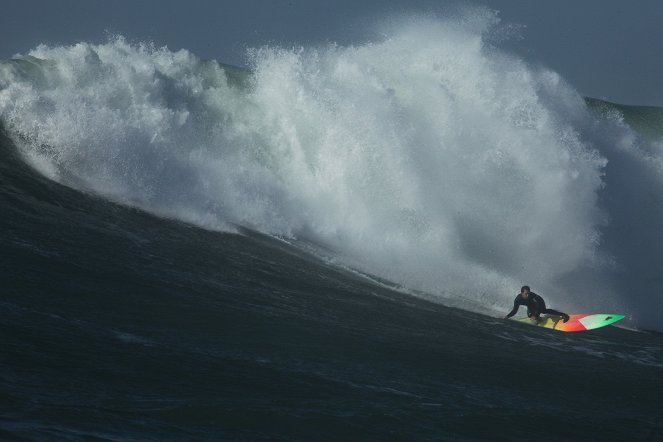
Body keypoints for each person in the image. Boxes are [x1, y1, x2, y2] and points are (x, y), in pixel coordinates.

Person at [504, 286, 570, 323]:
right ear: (521, 293)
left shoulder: (533, 296)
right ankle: (538, 318)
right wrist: (507, 316)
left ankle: (564, 315)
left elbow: (538, 306)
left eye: (528, 293)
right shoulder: (517, 300)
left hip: (539, 302)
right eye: (526, 293)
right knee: (530, 316)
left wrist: (535, 315)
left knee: (543, 311)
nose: (528, 295)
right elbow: (514, 311)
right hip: (530, 306)